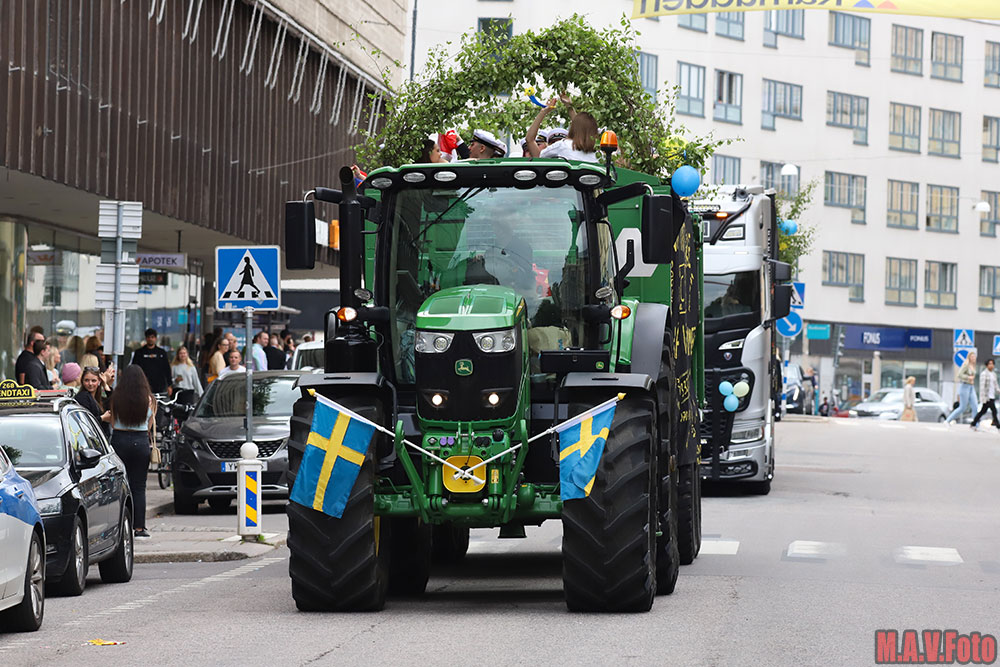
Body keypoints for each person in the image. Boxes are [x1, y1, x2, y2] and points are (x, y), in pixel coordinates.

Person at [105, 366, 155, 539]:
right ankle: (139, 527)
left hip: (120, 440)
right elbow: (149, 425)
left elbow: (112, 423)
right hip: (140, 442)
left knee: (119, 485)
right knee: (139, 486)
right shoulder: (149, 399)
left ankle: (120, 525)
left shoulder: (116, 398)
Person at [525, 94, 599, 162]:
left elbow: (537, 153)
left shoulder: (563, 145)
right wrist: (569, 107)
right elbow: (581, 128)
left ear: (573, 129)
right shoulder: (599, 154)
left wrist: (543, 112)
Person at [130, 328, 173, 395]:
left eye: (152, 337)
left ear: (155, 338)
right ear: (146, 338)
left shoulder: (161, 353)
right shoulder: (139, 353)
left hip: (159, 386)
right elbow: (134, 369)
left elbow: (167, 369)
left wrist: (169, 385)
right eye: (148, 337)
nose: (150, 339)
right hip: (143, 385)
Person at [78, 366, 115, 437]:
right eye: (86, 380)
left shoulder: (98, 398)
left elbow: (113, 405)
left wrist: (105, 385)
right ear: (82, 381)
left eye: (93, 381)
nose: (90, 384)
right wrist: (102, 418)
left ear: (99, 381)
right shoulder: (83, 397)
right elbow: (85, 422)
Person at [947, 350, 978, 425]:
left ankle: (975, 424)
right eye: (972, 356)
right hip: (965, 386)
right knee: (962, 407)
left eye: (974, 357)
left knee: (975, 406)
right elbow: (959, 375)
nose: (973, 358)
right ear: (969, 357)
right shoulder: (966, 365)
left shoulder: (973, 366)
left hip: (971, 387)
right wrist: (968, 377)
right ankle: (948, 420)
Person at [970, 358, 1000, 431]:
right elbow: (982, 387)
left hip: (992, 396)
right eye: (990, 364)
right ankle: (998, 425)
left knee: (983, 411)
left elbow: (995, 385)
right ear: (987, 365)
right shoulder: (984, 374)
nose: (991, 365)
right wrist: (983, 397)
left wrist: (998, 391)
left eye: (992, 364)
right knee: (994, 411)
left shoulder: (993, 374)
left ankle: (973, 423)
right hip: (987, 397)